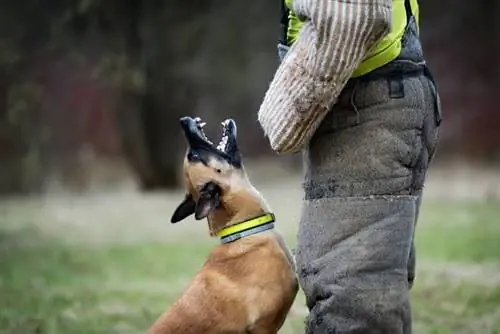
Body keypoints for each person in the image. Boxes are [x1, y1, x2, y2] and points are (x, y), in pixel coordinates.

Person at [257, 0, 442, 333]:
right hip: (372, 93)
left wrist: (292, 104)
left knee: (351, 304)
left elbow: (352, 14)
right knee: (364, 294)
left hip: (364, 102)